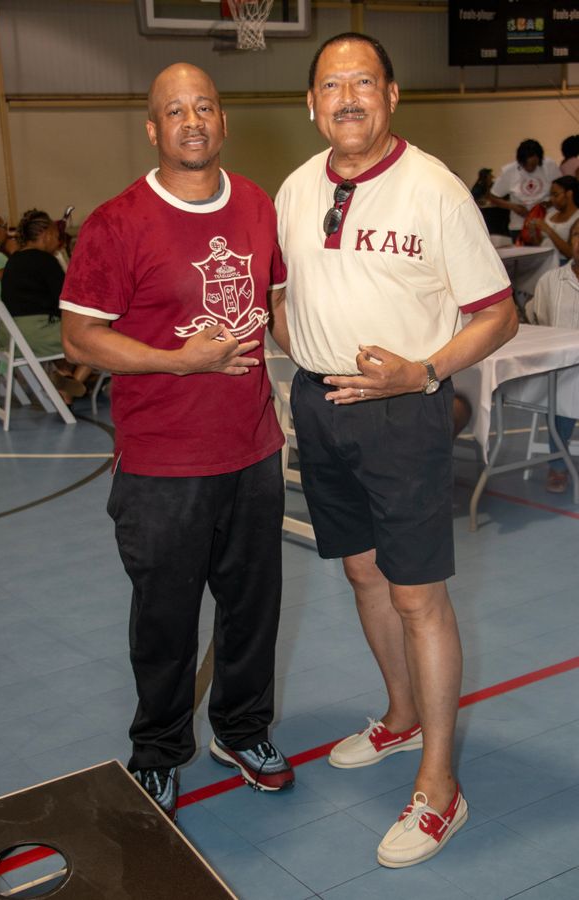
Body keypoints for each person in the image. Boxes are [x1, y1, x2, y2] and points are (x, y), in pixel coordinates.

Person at [272, 32, 518, 868]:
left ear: (391, 95)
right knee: (361, 571)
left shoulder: (435, 190)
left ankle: (440, 786)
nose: (347, 97)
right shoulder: (296, 188)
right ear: (311, 104)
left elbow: (498, 313)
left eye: (363, 82)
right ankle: (401, 717)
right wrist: (303, 352)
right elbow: (282, 294)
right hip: (320, 403)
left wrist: (424, 371)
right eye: (331, 84)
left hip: (403, 409)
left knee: (418, 596)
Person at [60, 63, 294, 817]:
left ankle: (242, 730)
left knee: (253, 608)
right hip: (163, 462)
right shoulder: (117, 222)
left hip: (253, 449)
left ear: (223, 120)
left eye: (204, 107)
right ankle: (159, 749)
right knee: (165, 619)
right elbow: (81, 337)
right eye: (175, 111)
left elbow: (276, 309)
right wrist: (178, 360)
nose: (192, 121)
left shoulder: (256, 204)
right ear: (153, 128)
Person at [1, 209, 92, 405]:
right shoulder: (45, 260)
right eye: (57, 235)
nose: (58, 241)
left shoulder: (14, 260)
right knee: (94, 337)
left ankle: (65, 375)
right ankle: (72, 386)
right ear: (46, 234)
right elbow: (66, 300)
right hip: (34, 336)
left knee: (65, 330)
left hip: (10, 335)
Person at [525, 218, 579, 493]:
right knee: (564, 386)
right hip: (562, 368)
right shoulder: (550, 281)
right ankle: (558, 465)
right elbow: (539, 322)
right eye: (577, 234)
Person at [489, 139, 561, 241]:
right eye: (526, 165)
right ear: (520, 161)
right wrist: (513, 207)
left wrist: (550, 202)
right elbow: (493, 197)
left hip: (547, 222)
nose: (530, 168)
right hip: (520, 226)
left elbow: (561, 190)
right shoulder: (509, 171)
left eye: (534, 165)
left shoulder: (549, 165)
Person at [531, 176, 579, 263]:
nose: (552, 199)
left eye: (556, 195)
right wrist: (533, 232)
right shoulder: (550, 214)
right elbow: (541, 244)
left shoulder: (577, 217)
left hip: (563, 263)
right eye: (551, 195)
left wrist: (548, 230)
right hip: (543, 262)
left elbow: (570, 253)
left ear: (569, 194)